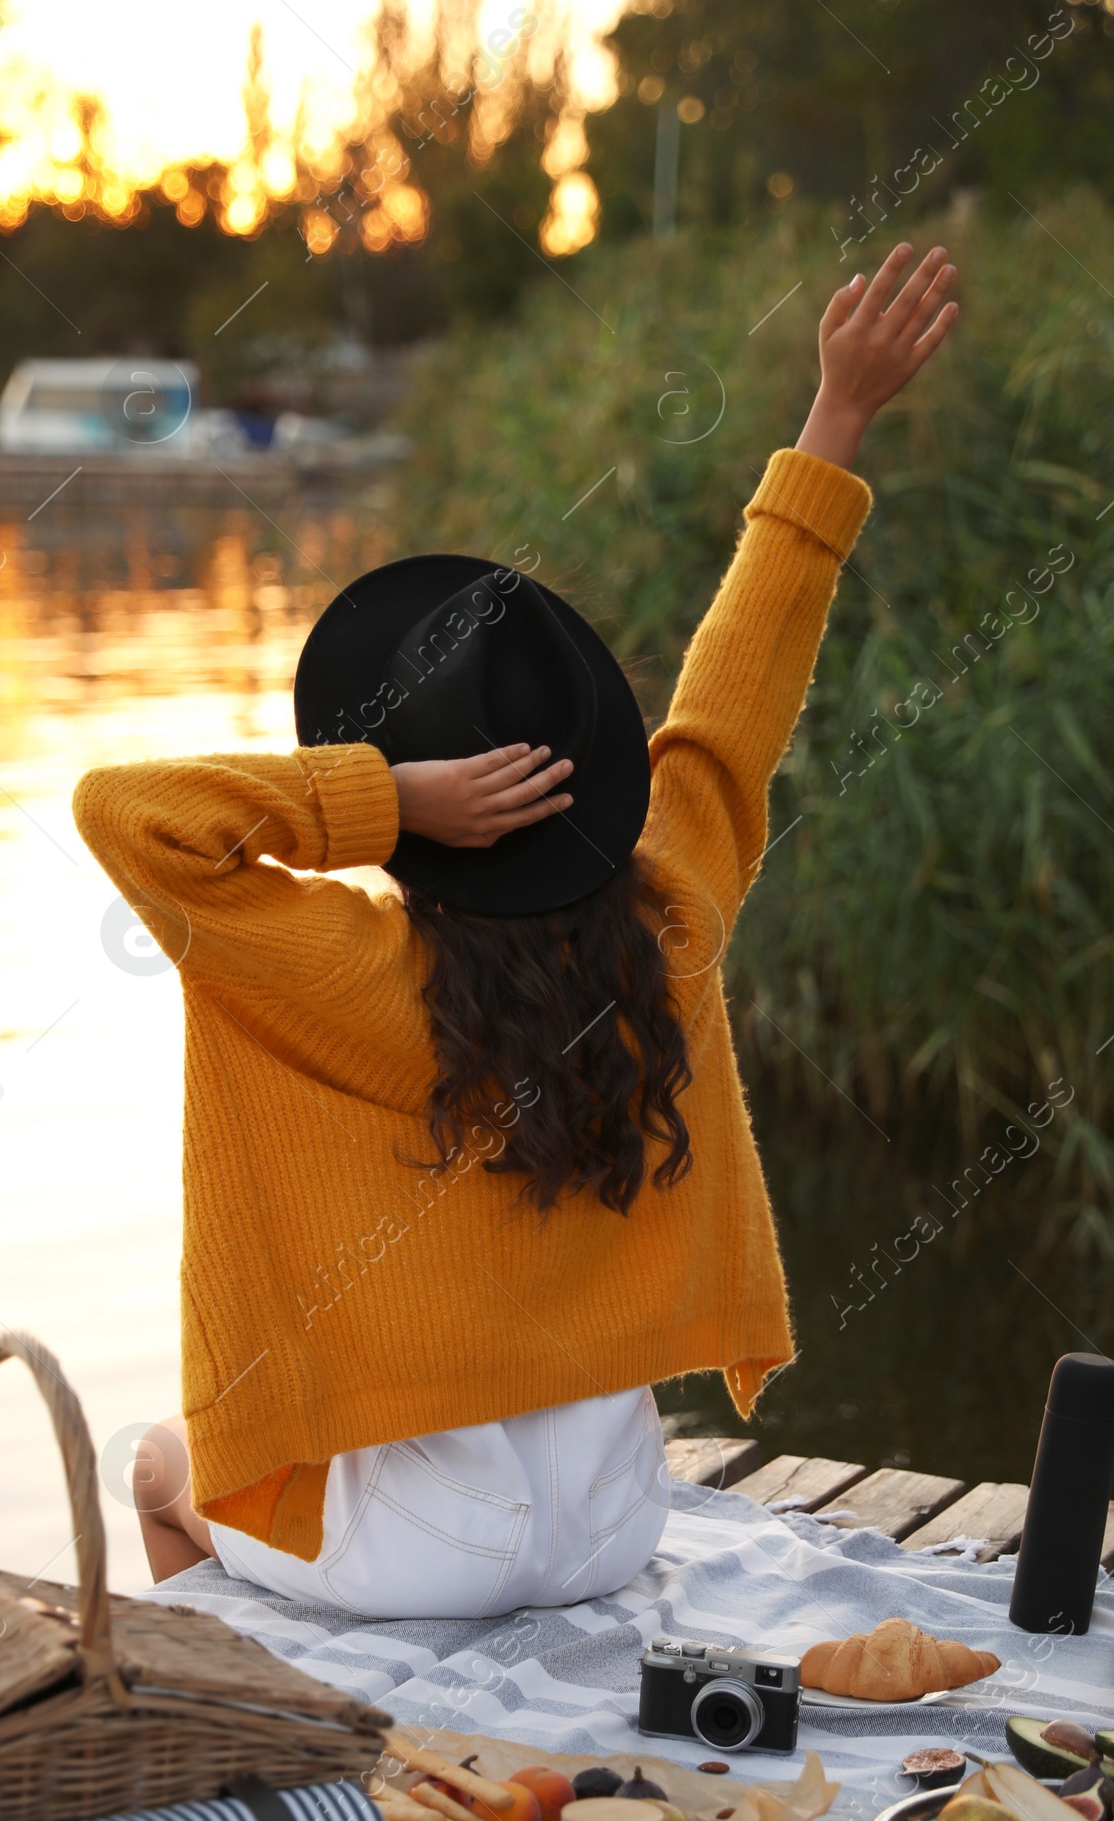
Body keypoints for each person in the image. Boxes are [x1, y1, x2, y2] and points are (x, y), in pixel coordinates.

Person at [74, 241, 958, 1619]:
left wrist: (379, 799)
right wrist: (834, 417)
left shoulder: (347, 972)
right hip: (612, 1534)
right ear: (590, 776)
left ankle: (252, 1719)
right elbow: (734, 710)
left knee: (159, 1462)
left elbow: (128, 812)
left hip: (413, 1564)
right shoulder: (668, 916)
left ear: (435, 809)